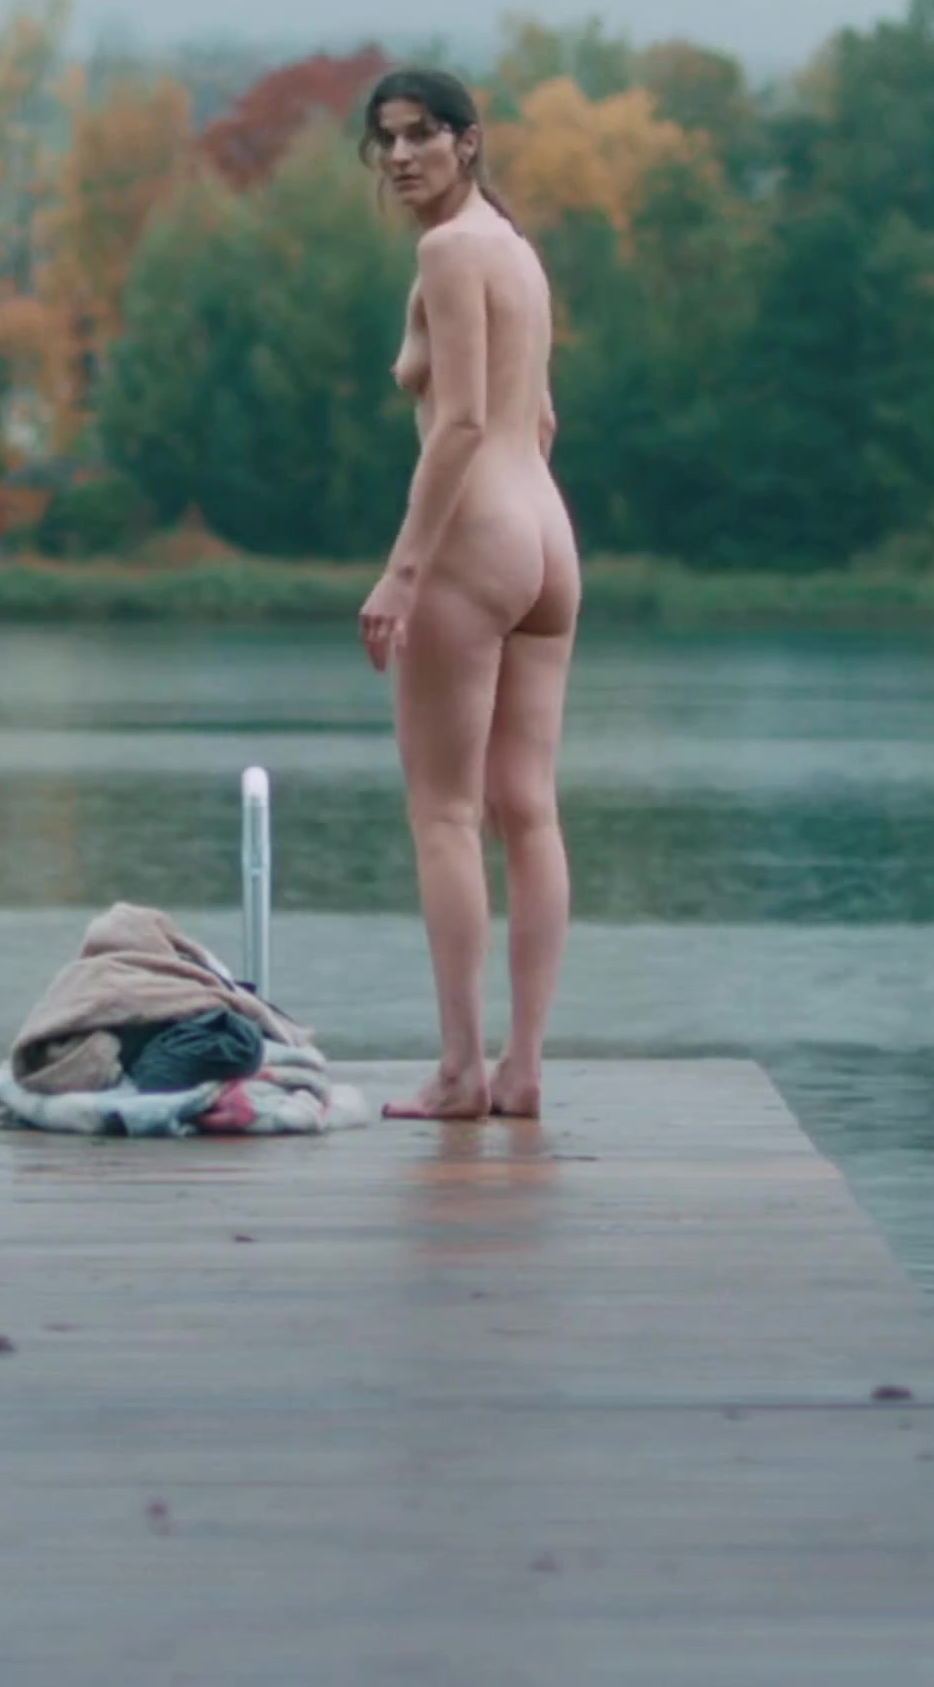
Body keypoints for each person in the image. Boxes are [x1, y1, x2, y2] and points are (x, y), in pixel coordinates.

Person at [351, 68, 581, 1122]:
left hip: (476, 536)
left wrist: (405, 569)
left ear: (468, 141)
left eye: (422, 135)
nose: (402, 156)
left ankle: (459, 1071)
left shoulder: (447, 252)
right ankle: (521, 1069)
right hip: (547, 538)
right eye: (386, 140)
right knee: (527, 809)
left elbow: (463, 423)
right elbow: (542, 419)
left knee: (445, 813)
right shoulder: (517, 251)